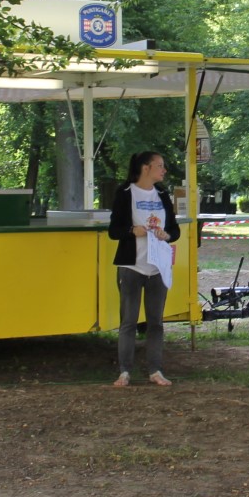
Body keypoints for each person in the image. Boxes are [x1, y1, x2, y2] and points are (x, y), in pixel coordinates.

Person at [106, 151, 181, 387]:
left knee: (156, 322)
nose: (164, 170)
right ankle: (125, 371)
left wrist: (166, 234)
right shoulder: (125, 193)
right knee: (128, 321)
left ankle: (155, 370)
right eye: (160, 165)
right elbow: (113, 231)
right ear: (146, 168)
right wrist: (131, 230)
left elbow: (175, 230)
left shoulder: (162, 195)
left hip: (157, 267)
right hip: (131, 266)